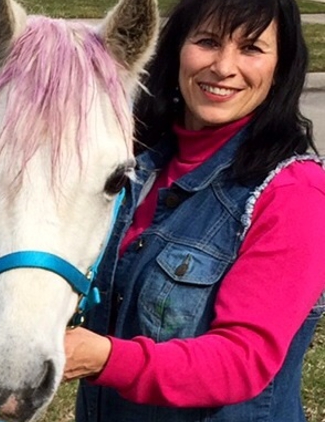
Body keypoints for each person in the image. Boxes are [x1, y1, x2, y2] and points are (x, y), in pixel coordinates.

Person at [63, 0, 325, 421]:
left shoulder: (294, 192)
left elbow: (243, 360)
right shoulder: (132, 167)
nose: (223, 67)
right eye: (207, 41)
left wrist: (105, 358)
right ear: (176, 50)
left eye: (251, 48)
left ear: (281, 68)